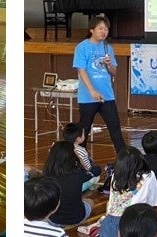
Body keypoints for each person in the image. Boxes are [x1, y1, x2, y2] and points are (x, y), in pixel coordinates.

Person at [73, 16, 126, 155]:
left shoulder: (108, 48)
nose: (104, 32)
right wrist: (92, 90)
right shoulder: (82, 47)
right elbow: (81, 70)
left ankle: (125, 160)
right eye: (100, 28)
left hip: (107, 96)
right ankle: (80, 161)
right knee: (84, 131)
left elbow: (113, 71)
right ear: (91, 29)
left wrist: (109, 64)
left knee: (115, 128)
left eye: (106, 29)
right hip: (88, 97)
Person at [99, 147, 157, 237]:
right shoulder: (149, 175)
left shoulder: (115, 175)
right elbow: (152, 203)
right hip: (132, 224)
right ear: (140, 160)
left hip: (108, 222)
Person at [43, 141, 94, 227]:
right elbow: (93, 170)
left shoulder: (47, 175)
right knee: (90, 201)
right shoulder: (78, 173)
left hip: (53, 220)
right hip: (76, 218)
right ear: (72, 156)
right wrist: (79, 158)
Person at [63, 123, 101, 192]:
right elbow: (88, 168)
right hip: (78, 184)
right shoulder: (81, 150)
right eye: (83, 134)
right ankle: (88, 186)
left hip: (63, 181)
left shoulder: (61, 148)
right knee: (96, 173)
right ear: (78, 139)